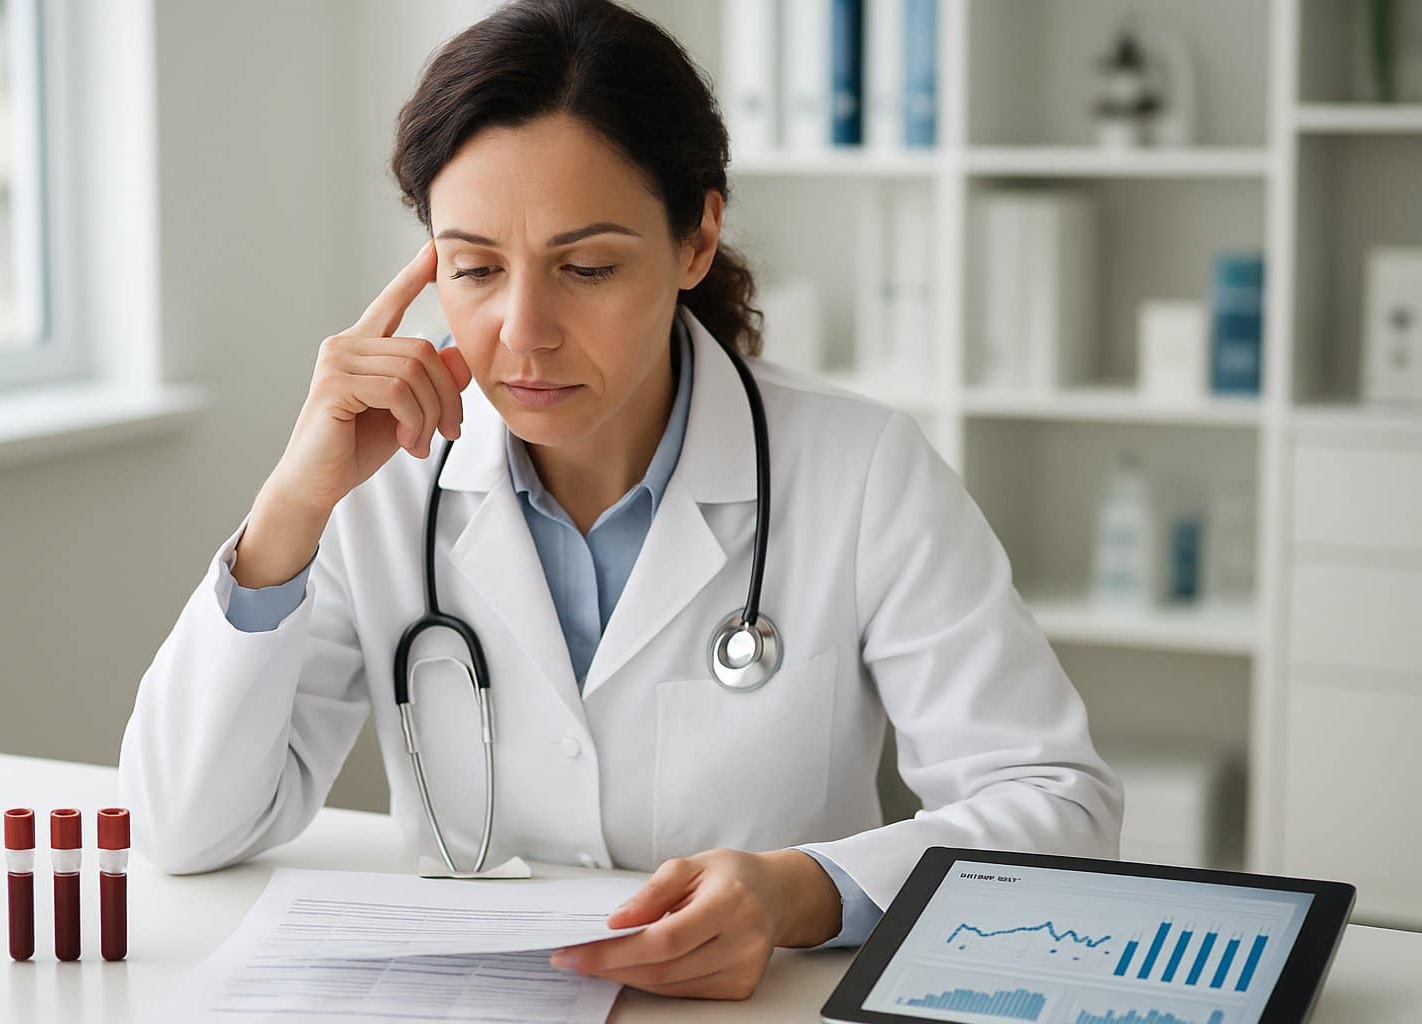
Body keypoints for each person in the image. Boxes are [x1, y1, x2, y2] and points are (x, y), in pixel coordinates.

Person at [118, 0, 1122, 1001]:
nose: (524, 329)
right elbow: (185, 827)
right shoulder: (381, 485)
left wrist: (799, 891)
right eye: (473, 268)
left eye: (587, 267)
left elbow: (1056, 804)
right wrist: (293, 502)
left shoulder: (860, 467)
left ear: (696, 239)